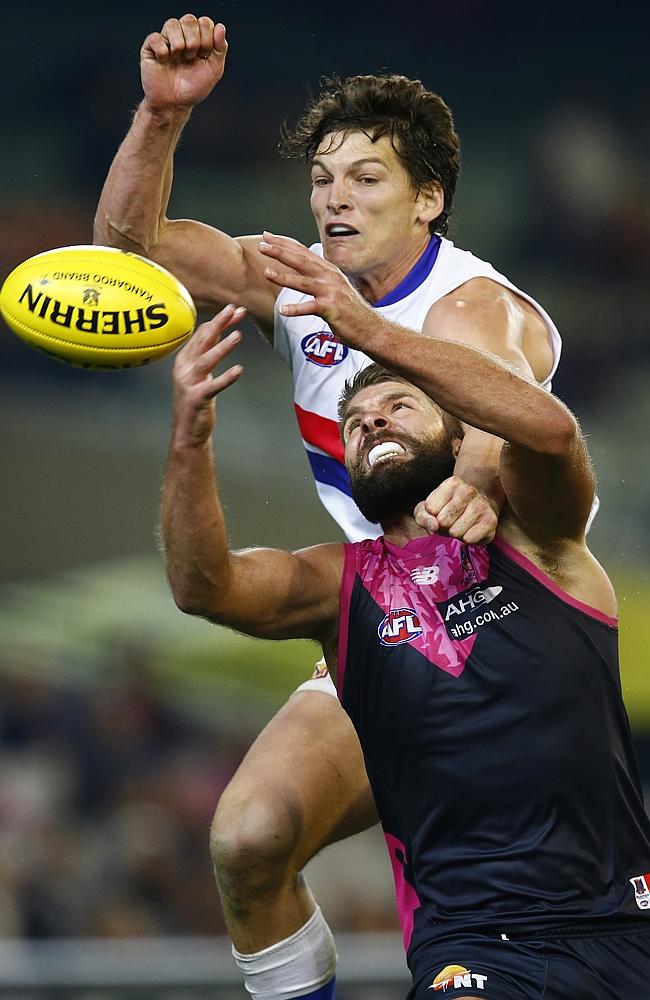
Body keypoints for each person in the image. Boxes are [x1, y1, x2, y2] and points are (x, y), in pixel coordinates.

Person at [94, 14, 564, 997]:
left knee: (541, 913)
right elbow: (126, 252)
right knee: (249, 835)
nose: (332, 197)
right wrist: (159, 115)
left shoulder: (473, 306)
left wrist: (475, 480)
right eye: (321, 177)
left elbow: (513, 415)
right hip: (386, 623)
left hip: (510, 627)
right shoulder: (296, 288)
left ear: (427, 198)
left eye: (364, 177)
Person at [161, 303, 650, 1000]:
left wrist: (370, 332)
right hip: (475, 947)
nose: (372, 422)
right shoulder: (337, 583)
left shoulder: (540, 538)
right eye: (355, 424)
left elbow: (551, 431)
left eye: (399, 406)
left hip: (626, 929)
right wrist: (188, 441)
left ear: (460, 438)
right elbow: (204, 587)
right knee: (247, 835)